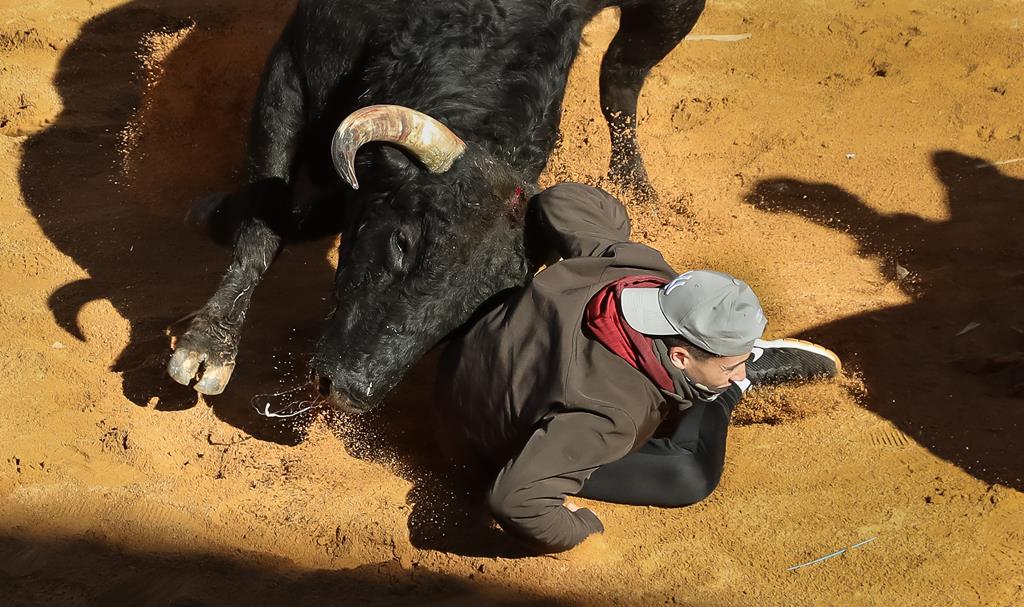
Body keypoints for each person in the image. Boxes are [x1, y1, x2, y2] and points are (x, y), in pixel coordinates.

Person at [436, 183, 841, 554]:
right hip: (483, 442)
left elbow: (561, 200)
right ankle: (734, 392)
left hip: (467, 358)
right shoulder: (614, 415)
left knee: (695, 387)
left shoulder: (628, 266)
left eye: (739, 362)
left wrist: (602, 232)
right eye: (733, 364)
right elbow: (515, 500)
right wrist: (580, 527)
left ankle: (714, 378)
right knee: (688, 473)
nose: (734, 368)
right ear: (680, 356)